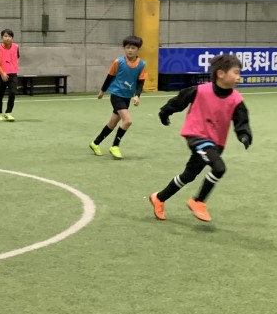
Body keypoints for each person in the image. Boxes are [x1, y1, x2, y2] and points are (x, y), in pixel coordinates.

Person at [148, 53, 252, 223]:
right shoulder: (200, 91)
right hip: (197, 136)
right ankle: (198, 201)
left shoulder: (236, 100)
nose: (238, 77)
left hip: (216, 143)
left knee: (189, 175)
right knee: (219, 168)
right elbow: (179, 100)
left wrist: (244, 135)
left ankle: (159, 198)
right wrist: (165, 112)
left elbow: (242, 121)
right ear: (220, 74)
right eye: (235, 72)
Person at [89, 35, 146, 159]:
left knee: (113, 123)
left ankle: (95, 143)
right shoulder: (118, 62)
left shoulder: (142, 64)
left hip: (127, 97)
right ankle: (115, 146)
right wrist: (102, 91)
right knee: (127, 121)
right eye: (127, 47)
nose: (130, 50)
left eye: (133, 48)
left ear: (138, 49)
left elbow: (141, 82)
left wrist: (137, 95)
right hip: (116, 95)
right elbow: (110, 77)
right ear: (124, 48)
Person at [0, 28, 19, 121]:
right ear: (2, 37)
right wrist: (2, 73)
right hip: (1, 75)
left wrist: (13, 69)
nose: (7, 38)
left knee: (13, 92)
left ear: (12, 38)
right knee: (0, 94)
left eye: (10, 36)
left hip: (13, 74)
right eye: (5, 36)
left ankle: (8, 113)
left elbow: (16, 58)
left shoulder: (16, 47)